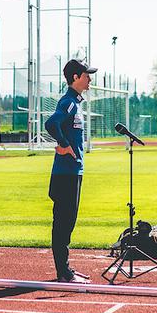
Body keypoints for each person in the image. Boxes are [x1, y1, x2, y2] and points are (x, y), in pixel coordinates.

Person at [44, 59, 96, 283]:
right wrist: (64, 145)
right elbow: (51, 124)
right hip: (65, 173)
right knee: (64, 222)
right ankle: (64, 272)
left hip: (74, 171)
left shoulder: (76, 103)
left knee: (69, 221)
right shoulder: (67, 102)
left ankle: (65, 269)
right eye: (86, 75)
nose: (90, 79)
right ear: (75, 77)